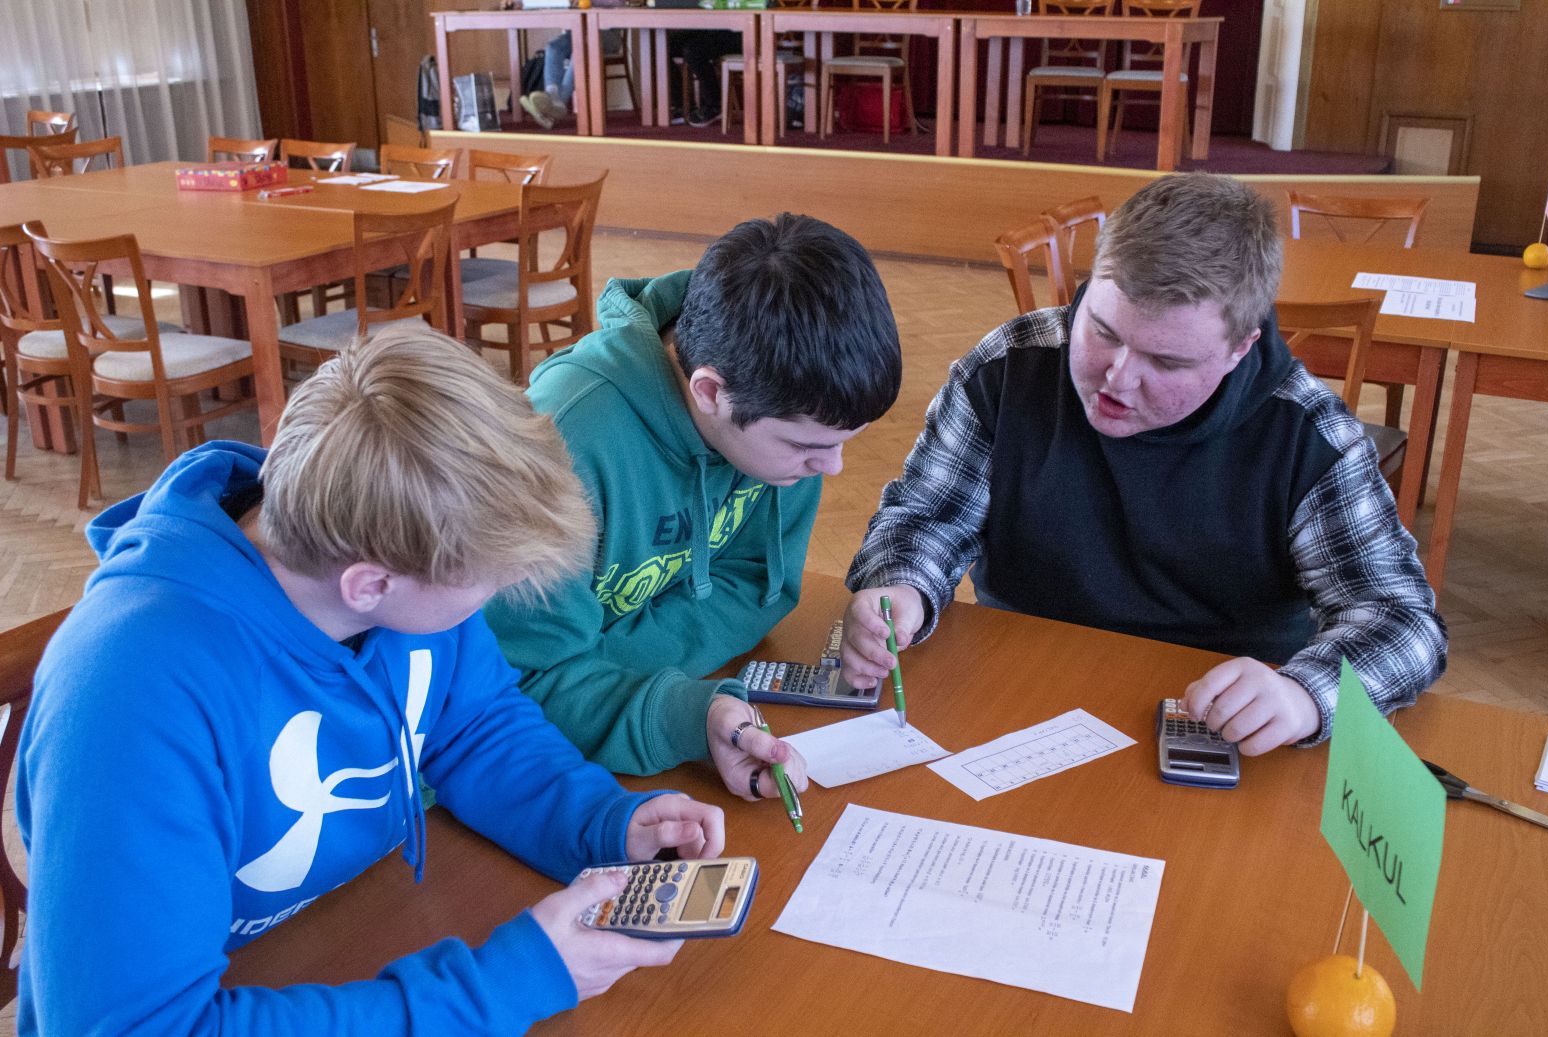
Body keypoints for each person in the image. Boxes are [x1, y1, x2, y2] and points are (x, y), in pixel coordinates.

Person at [17, 327, 726, 1032]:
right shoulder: (128, 694)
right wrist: (506, 984)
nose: (486, 603)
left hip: (336, 943)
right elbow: (139, 1024)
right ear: (369, 585)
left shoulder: (381, 537)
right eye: (484, 586)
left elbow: (476, 728)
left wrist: (601, 822)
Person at [840, 173, 1447, 755]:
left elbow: (1403, 621)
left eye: (1168, 362)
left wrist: (1304, 694)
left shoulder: (1307, 436)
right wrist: (902, 585)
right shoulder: (1010, 368)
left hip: (1214, 718)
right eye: (1102, 331)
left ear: (1240, 349)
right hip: (1019, 682)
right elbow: (927, 518)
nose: (1118, 378)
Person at [484, 212, 902, 796]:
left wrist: (607, 666)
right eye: (808, 446)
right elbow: (516, 684)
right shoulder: (565, 445)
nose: (832, 468)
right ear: (709, 391)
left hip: (626, 712)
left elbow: (758, 585)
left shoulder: (784, 403)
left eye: (842, 443)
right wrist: (669, 704)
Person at [520, 29, 624, 130]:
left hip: (607, 35)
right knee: (553, 47)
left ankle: (558, 103)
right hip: (577, 33)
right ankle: (552, 99)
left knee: (579, 50)